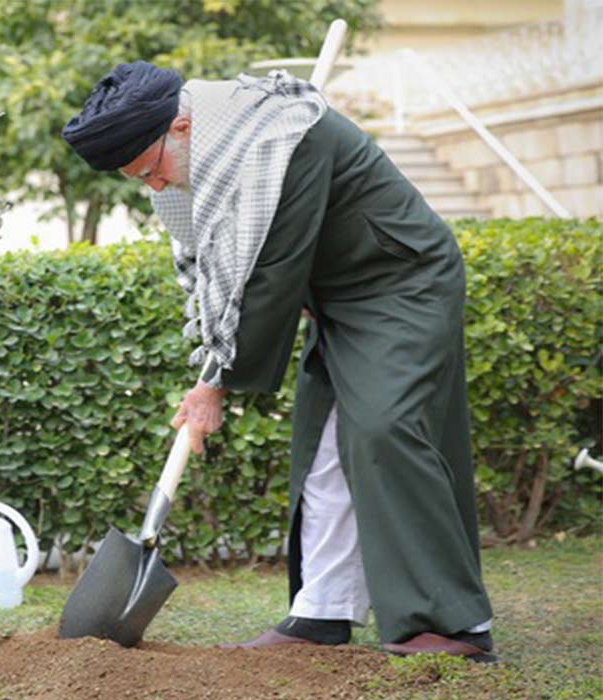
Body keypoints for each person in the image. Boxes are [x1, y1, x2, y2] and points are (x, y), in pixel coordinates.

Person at [61, 61, 496, 661]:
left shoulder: (284, 139)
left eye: (149, 171)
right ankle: (322, 612)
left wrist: (216, 386)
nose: (154, 189)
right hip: (337, 297)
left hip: (402, 281)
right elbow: (227, 268)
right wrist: (216, 362)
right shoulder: (214, 155)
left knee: (385, 430)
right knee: (322, 451)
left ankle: (452, 624)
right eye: (138, 179)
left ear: (182, 126)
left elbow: (271, 274)